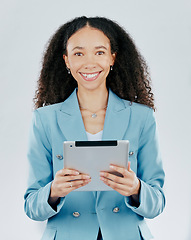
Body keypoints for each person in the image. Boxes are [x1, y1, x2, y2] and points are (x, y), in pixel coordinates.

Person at [24, 16, 165, 240]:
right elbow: (32, 206)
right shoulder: (44, 120)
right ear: (66, 60)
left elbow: (157, 204)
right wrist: (54, 191)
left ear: (113, 57)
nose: (89, 63)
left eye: (99, 52)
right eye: (78, 53)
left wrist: (136, 188)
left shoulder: (142, 117)